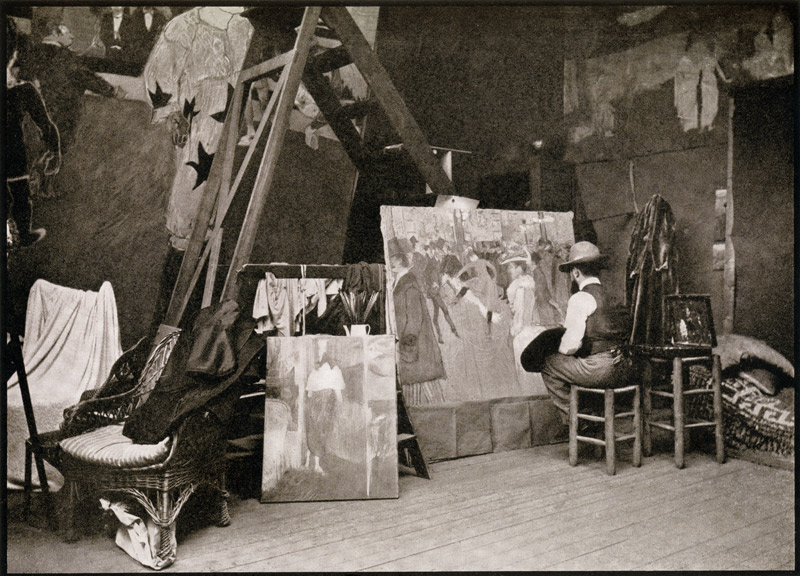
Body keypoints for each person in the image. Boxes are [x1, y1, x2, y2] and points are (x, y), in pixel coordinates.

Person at [143, 6, 254, 331]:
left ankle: (206, 327)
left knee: (226, 219)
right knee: (190, 211)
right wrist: (173, 113)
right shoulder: (185, 25)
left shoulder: (248, 28)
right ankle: (171, 325)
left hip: (236, 134)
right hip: (200, 129)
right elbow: (159, 75)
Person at [535, 241, 633, 418]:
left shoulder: (580, 298)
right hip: (625, 367)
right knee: (578, 365)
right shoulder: (615, 295)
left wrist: (558, 344)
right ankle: (591, 412)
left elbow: (569, 347)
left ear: (575, 272)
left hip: (601, 370)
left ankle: (577, 419)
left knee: (549, 364)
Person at [18, 22, 126, 155]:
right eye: (67, 32)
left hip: (33, 115)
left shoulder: (31, 53)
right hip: (62, 114)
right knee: (56, 152)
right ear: (55, 34)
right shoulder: (65, 56)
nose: (72, 36)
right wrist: (113, 91)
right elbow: (86, 77)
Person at [5, 18, 61, 247]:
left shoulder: (23, 89)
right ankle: (22, 234)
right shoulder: (24, 91)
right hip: (12, 152)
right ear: (13, 55)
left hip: (13, 152)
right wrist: (55, 151)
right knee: (19, 193)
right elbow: (45, 124)